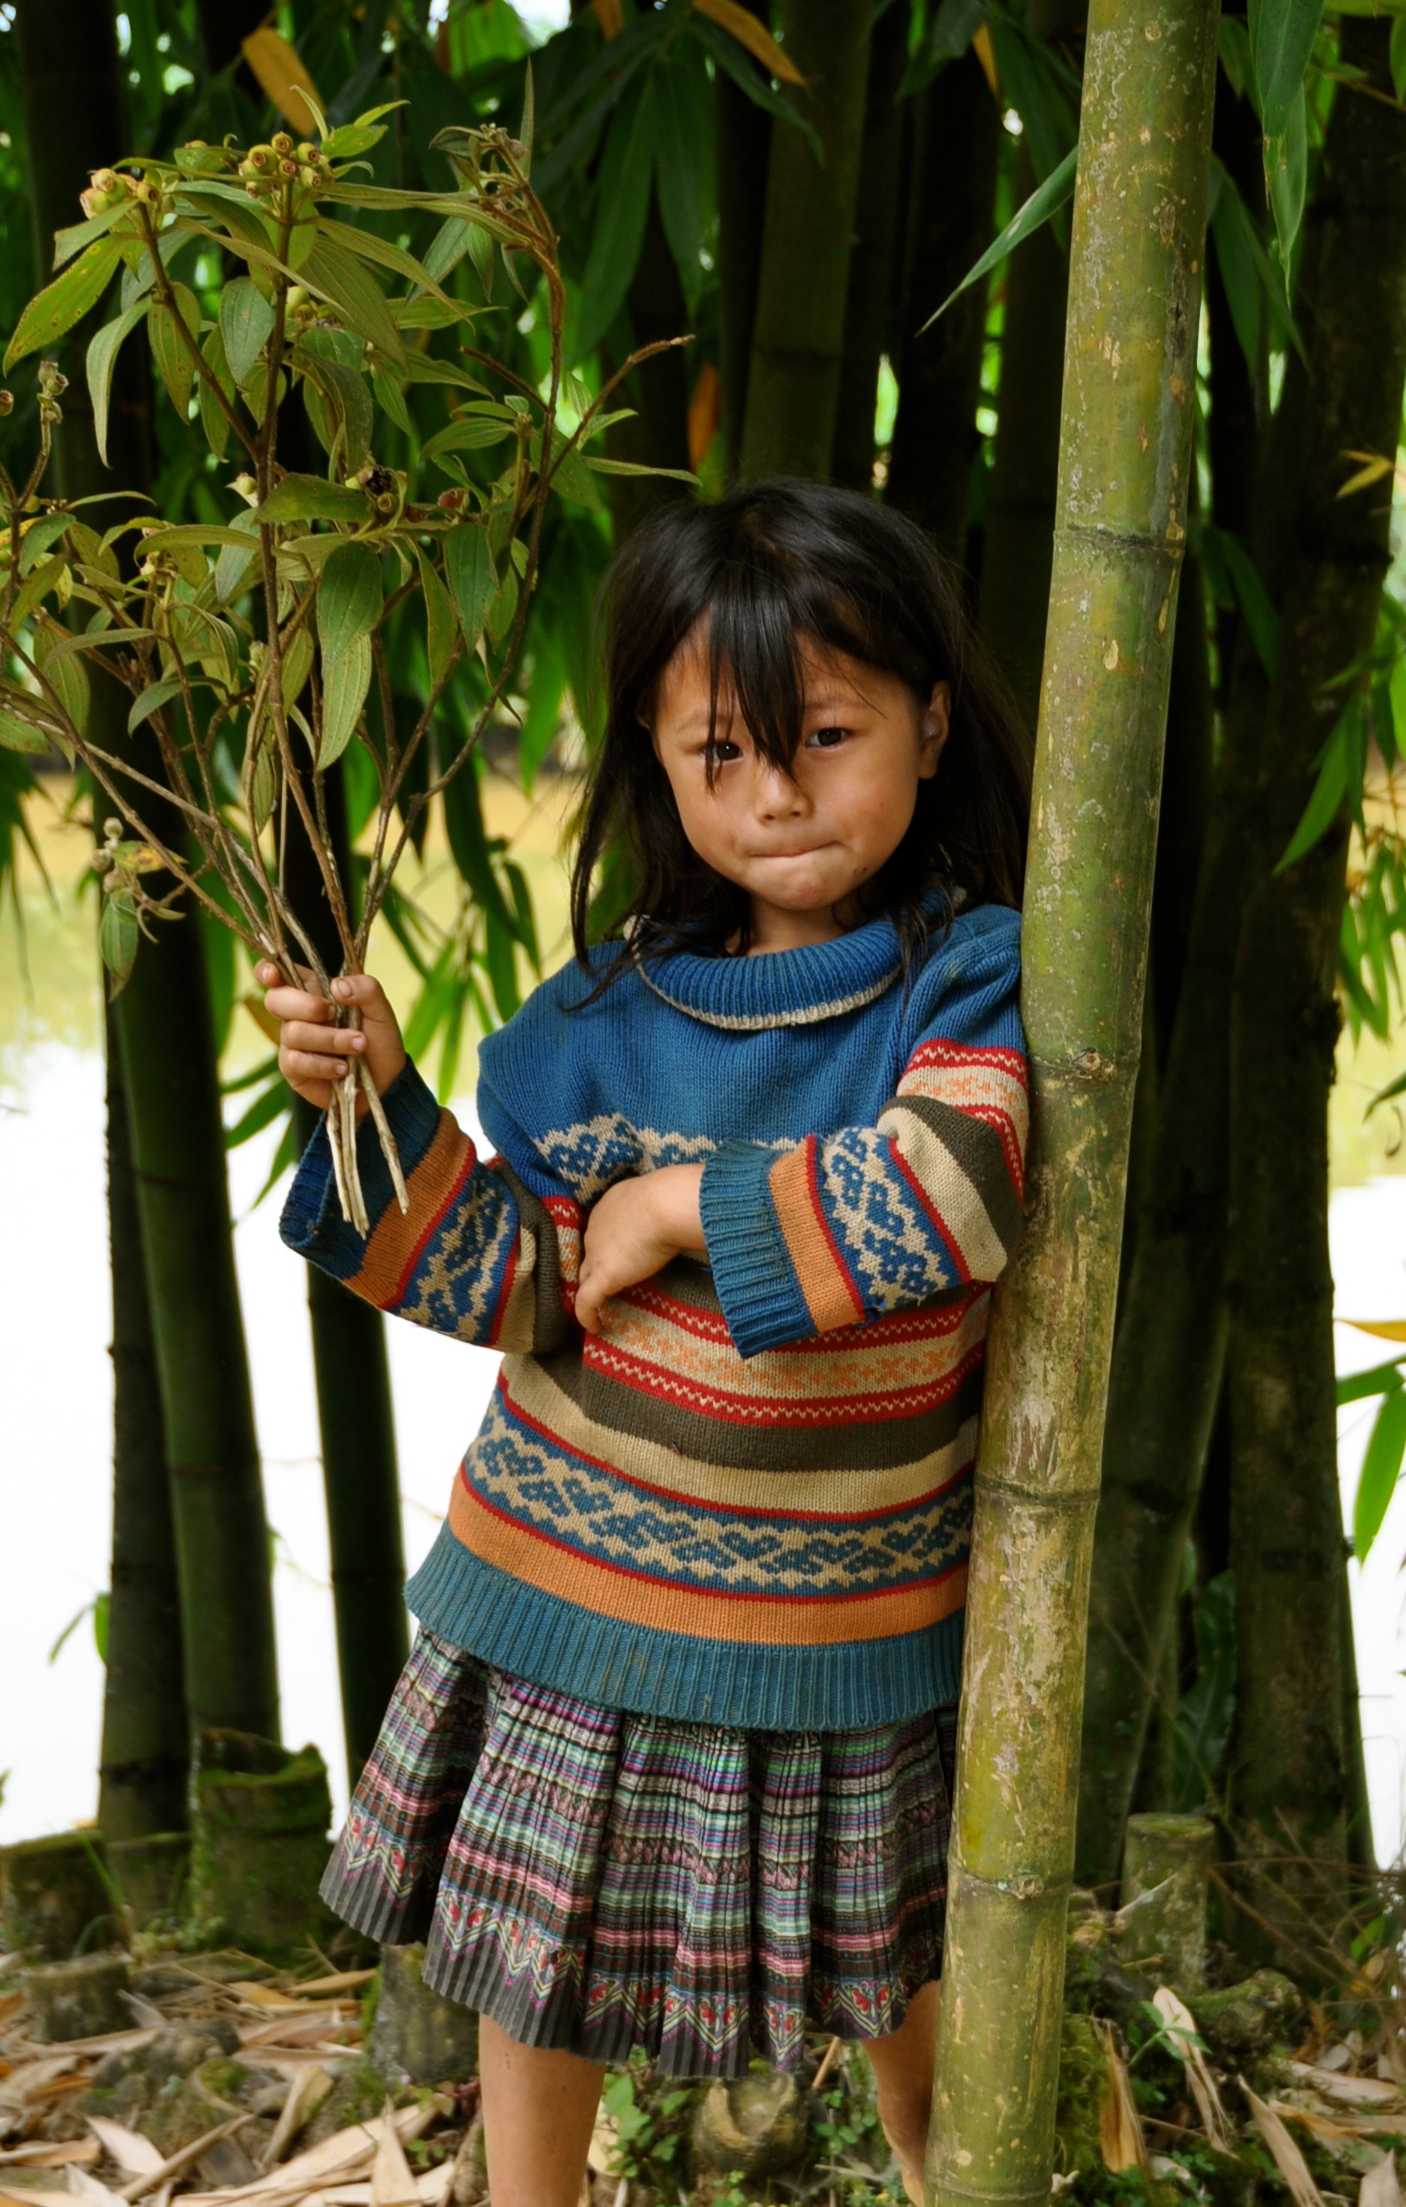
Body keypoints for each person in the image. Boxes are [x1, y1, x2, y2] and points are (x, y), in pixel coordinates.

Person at [261, 478, 1031, 2207]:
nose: (776, 794)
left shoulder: (967, 978)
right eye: (719, 753)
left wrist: (683, 1203)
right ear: (656, 764)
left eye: (824, 734)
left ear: (926, 719)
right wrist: (375, 1109)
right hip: (570, 1593)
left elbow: (946, 1196)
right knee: (534, 1979)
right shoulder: (593, 1023)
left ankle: (955, 2186)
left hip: (851, 1609)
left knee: (910, 1980)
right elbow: (527, 1285)